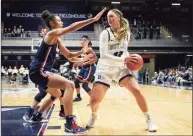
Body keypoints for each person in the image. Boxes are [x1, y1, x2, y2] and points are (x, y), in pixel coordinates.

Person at [28, 8, 106, 135]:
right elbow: (71, 28)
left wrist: (82, 55)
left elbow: (69, 55)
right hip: (39, 71)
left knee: (57, 94)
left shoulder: (57, 39)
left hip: (39, 72)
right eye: (59, 20)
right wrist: (93, 20)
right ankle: (70, 124)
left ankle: (37, 116)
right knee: (69, 84)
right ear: (52, 23)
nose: (62, 22)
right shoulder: (51, 34)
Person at [86, 9, 157, 132]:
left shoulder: (126, 32)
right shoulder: (105, 33)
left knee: (137, 91)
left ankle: (149, 119)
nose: (109, 19)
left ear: (118, 17)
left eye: (112, 16)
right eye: (108, 17)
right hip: (105, 69)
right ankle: (94, 115)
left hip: (121, 68)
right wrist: (125, 60)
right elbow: (104, 55)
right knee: (94, 101)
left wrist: (131, 62)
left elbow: (124, 51)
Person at [73, 35, 97, 102]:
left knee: (84, 85)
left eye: (84, 40)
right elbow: (83, 59)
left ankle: (94, 100)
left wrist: (85, 63)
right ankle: (78, 97)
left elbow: (95, 59)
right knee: (76, 81)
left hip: (90, 67)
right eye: (82, 40)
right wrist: (77, 62)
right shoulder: (82, 50)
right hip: (84, 68)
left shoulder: (89, 49)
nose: (82, 41)